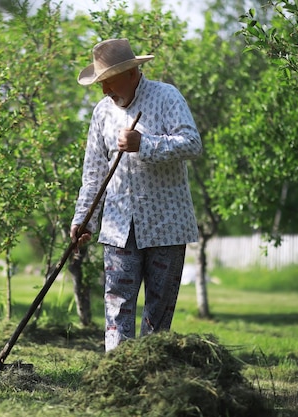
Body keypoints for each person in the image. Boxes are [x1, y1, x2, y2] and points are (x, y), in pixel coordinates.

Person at [70, 38, 202, 351]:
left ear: (132, 73)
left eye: (109, 82)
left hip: (167, 226)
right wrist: (83, 218)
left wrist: (145, 144)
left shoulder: (166, 97)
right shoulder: (102, 112)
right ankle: (118, 372)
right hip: (117, 227)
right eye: (100, 84)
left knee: (159, 311)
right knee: (117, 304)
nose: (104, 91)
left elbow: (192, 143)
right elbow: (93, 174)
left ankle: (152, 375)